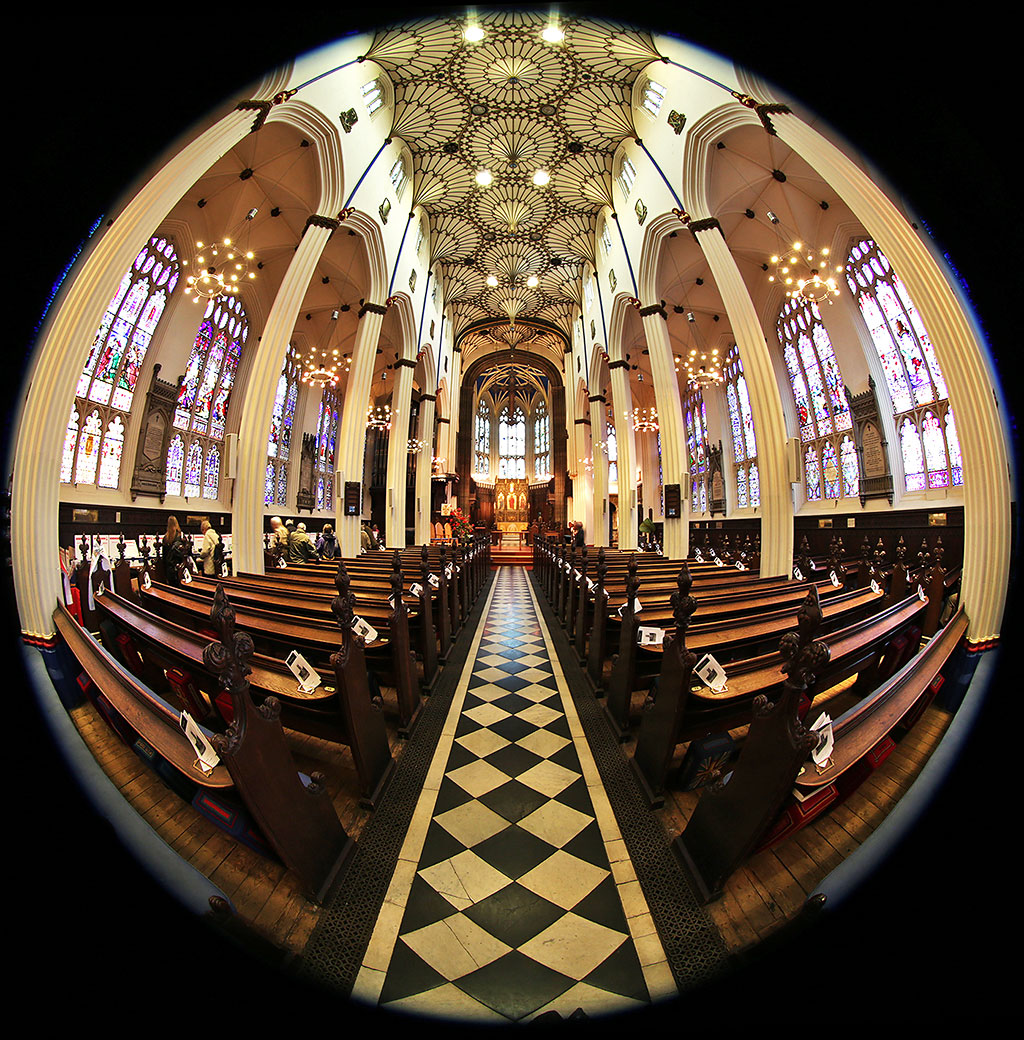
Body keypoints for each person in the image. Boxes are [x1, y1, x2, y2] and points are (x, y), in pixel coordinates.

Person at [161, 515, 190, 587]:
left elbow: (164, 556)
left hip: (169, 568)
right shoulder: (181, 536)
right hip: (180, 566)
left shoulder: (165, 538)